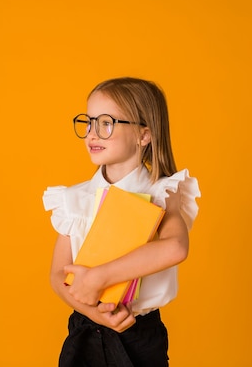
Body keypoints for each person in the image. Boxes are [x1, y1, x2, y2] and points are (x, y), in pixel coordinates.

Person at [42, 77, 200, 367]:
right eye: (89, 122)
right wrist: (92, 313)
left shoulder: (163, 193)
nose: (92, 133)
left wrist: (99, 277)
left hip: (139, 336)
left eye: (106, 123)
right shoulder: (73, 199)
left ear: (144, 135)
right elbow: (57, 274)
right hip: (85, 330)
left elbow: (175, 247)